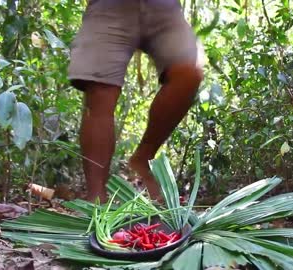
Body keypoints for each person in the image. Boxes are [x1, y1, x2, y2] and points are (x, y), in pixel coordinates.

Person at [67, 0, 204, 203]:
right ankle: (96, 199)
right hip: (108, 6)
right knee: (101, 91)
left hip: (163, 6)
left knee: (189, 72)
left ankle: (143, 157)